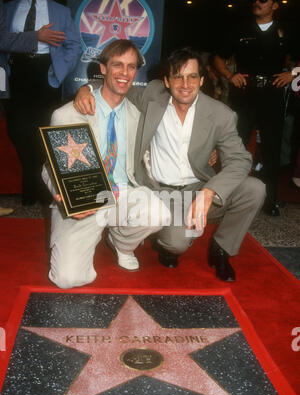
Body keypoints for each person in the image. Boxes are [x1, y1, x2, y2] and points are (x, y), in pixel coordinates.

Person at [74, 46, 266, 282]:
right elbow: (115, 87)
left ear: (202, 79)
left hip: (197, 188)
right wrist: (86, 89)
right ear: (166, 81)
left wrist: (209, 193)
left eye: (192, 76)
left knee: (254, 189)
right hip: (160, 191)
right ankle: (166, 243)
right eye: (178, 76)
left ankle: (221, 248)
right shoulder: (152, 96)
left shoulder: (220, 114)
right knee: (175, 245)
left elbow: (240, 159)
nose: (185, 84)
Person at [42, 39, 171, 289]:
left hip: (122, 192)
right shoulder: (68, 114)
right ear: (102, 68)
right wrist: (62, 192)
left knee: (159, 212)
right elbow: (48, 166)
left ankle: (121, 243)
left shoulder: (137, 115)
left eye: (131, 67)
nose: (125, 73)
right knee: (67, 279)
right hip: (85, 200)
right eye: (118, 65)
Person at [213, 0, 300, 216]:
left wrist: (293, 74)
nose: (257, 2)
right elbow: (217, 58)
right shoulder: (240, 29)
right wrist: (230, 75)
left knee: (271, 149)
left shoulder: (286, 31)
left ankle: (269, 201)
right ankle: (227, 198)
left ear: (275, 6)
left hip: (272, 94)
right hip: (244, 94)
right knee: (235, 146)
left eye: (264, 0)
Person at [3, 0, 81, 206]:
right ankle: (36, 183)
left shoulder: (60, 11)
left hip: (46, 73)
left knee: (44, 133)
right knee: (17, 131)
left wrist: (60, 71)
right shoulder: (8, 8)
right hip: (16, 72)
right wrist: (34, 37)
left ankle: (37, 192)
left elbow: (73, 45)